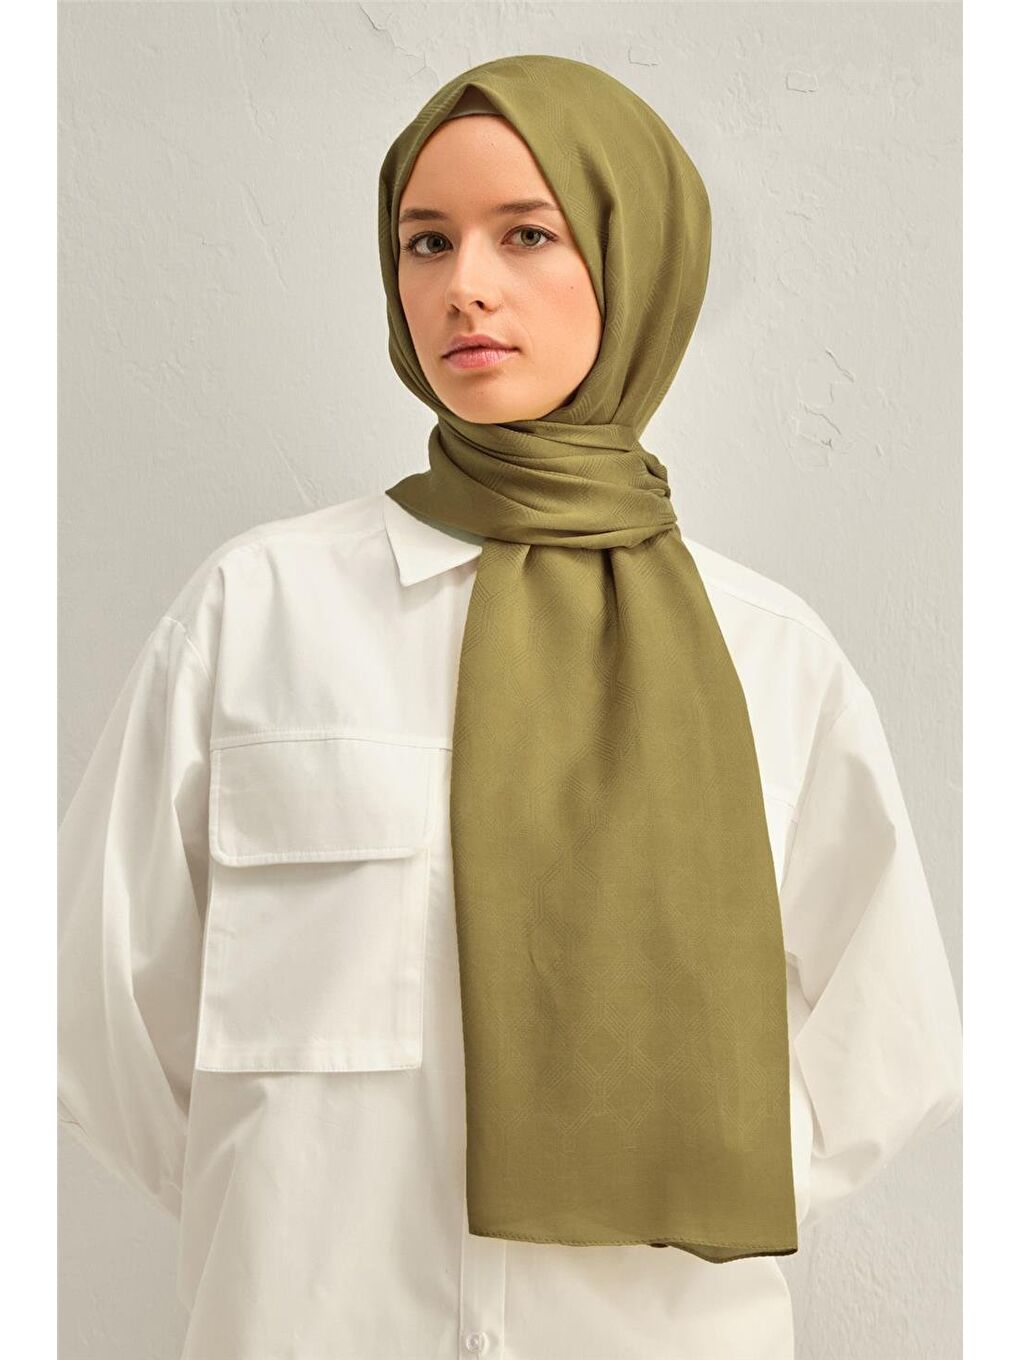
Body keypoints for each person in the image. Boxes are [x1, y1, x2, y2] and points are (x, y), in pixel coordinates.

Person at [58, 54, 963, 1360]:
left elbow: (895, 1038)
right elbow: (93, 1006)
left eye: (526, 234)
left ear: (636, 260)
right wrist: (282, 1203)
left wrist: (697, 1163)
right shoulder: (258, 612)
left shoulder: (769, 653)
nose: (463, 285)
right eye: (426, 241)